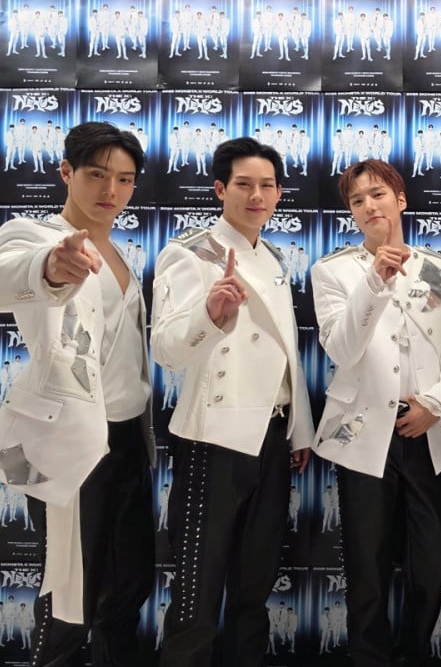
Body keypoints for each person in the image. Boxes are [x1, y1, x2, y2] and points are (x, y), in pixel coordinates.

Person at [0, 121, 156, 665]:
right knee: (68, 596)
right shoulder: (33, 235)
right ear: (66, 173)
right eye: (97, 174)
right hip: (70, 441)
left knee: (128, 588)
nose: (111, 190)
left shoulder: (121, 253)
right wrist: (49, 268)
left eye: (124, 179)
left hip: (129, 439)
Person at [151, 137, 314, 667]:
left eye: (266, 185)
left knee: (253, 585)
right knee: (197, 591)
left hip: (272, 434)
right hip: (213, 437)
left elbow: (288, 353)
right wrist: (210, 313)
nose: (256, 195)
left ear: (279, 193)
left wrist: (300, 429)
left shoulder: (273, 257)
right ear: (220, 189)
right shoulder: (190, 252)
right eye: (244, 184)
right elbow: (164, 348)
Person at [310, 158, 441, 667]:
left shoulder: (439, 270)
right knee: (366, 565)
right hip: (361, 432)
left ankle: (413, 653)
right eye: (357, 200)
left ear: (400, 200)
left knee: (431, 561)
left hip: (424, 429)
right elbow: (342, 348)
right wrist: (374, 282)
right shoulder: (332, 271)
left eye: (378, 194)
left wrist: (436, 403)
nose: (369, 206)